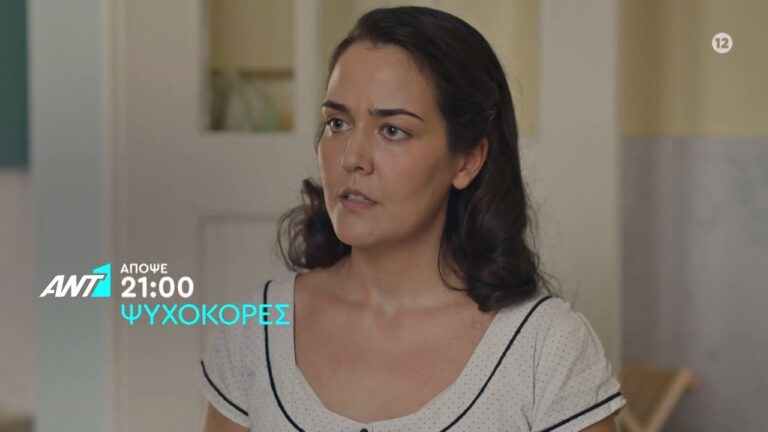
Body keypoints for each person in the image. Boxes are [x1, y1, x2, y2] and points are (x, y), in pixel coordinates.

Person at [198, 6, 625, 431]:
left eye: (393, 130)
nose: (352, 158)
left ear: (467, 160)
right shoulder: (255, 328)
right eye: (338, 123)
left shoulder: (545, 348)